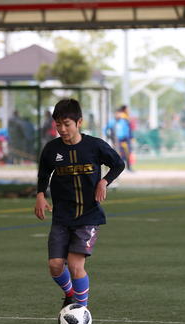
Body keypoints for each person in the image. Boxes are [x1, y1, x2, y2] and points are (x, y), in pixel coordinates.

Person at [34, 98, 125, 309]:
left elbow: (118, 164)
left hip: (88, 216)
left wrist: (104, 181)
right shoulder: (52, 149)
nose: (62, 129)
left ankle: (81, 311)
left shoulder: (95, 146)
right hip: (61, 217)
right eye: (58, 125)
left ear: (79, 122)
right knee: (55, 265)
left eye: (67, 124)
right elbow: (44, 173)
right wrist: (40, 195)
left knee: (75, 266)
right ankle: (70, 294)